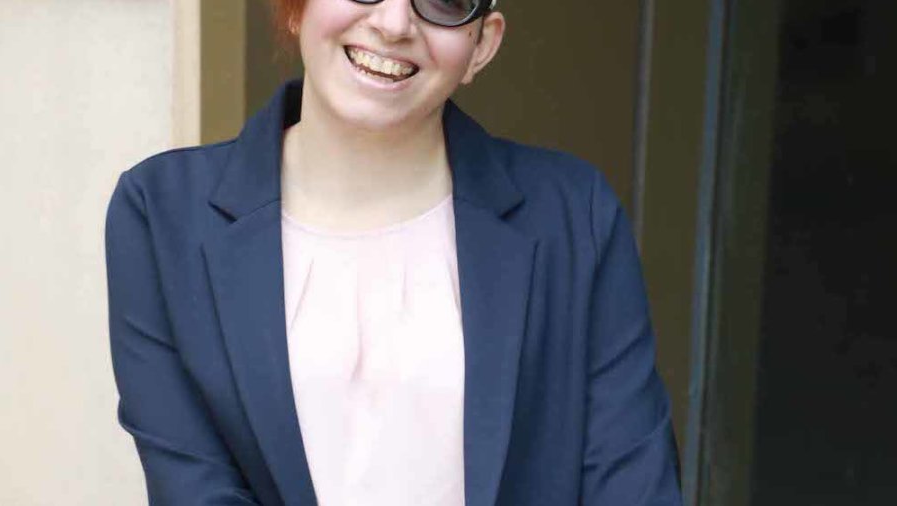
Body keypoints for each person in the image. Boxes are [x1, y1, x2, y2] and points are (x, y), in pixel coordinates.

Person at [104, 0, 683, 504]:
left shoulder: (573, 216)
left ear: (483, 44)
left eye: (446, 0)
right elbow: (194, 487)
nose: (394, 22)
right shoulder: (160, 217)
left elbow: (631, 479)